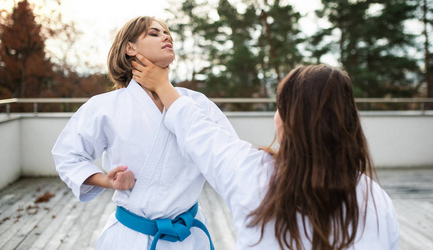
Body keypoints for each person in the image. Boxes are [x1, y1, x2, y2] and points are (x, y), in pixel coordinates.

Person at [131, 55, 400, 250]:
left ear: (289, 119)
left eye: (280, 108)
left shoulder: (252, 174)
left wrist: (162, 86)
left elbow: (199, 133)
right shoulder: (376, 201)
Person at [52, 16, 238, 249]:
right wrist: (107, 181)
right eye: (154, 33)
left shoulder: (198, 104)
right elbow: (67, 155)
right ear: (130, 48)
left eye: (167, 33)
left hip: (189, 237)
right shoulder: (105, 106)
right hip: (131, 239)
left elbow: (232, 157)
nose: (166, 36)